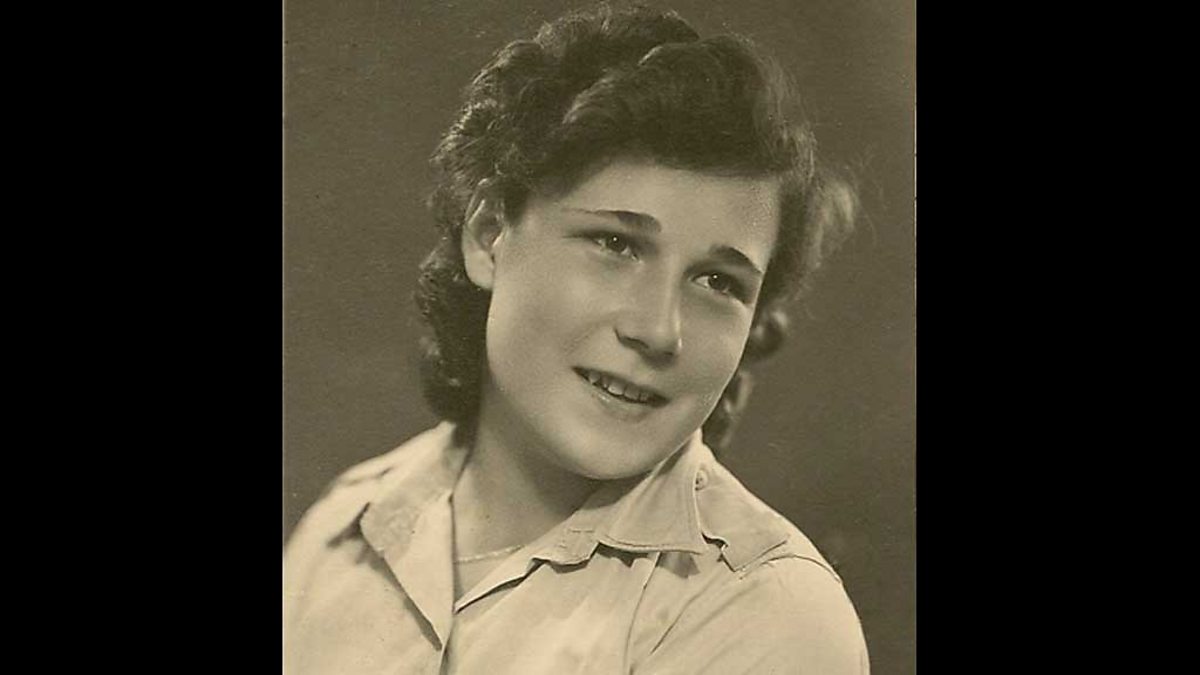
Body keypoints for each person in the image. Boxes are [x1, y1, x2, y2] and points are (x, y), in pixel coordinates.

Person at [285, 4, 868, 673]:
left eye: (718, 282)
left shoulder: (765, 616)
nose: (658, 330)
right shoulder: (344, 528)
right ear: (489, 234)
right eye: (615, 244)